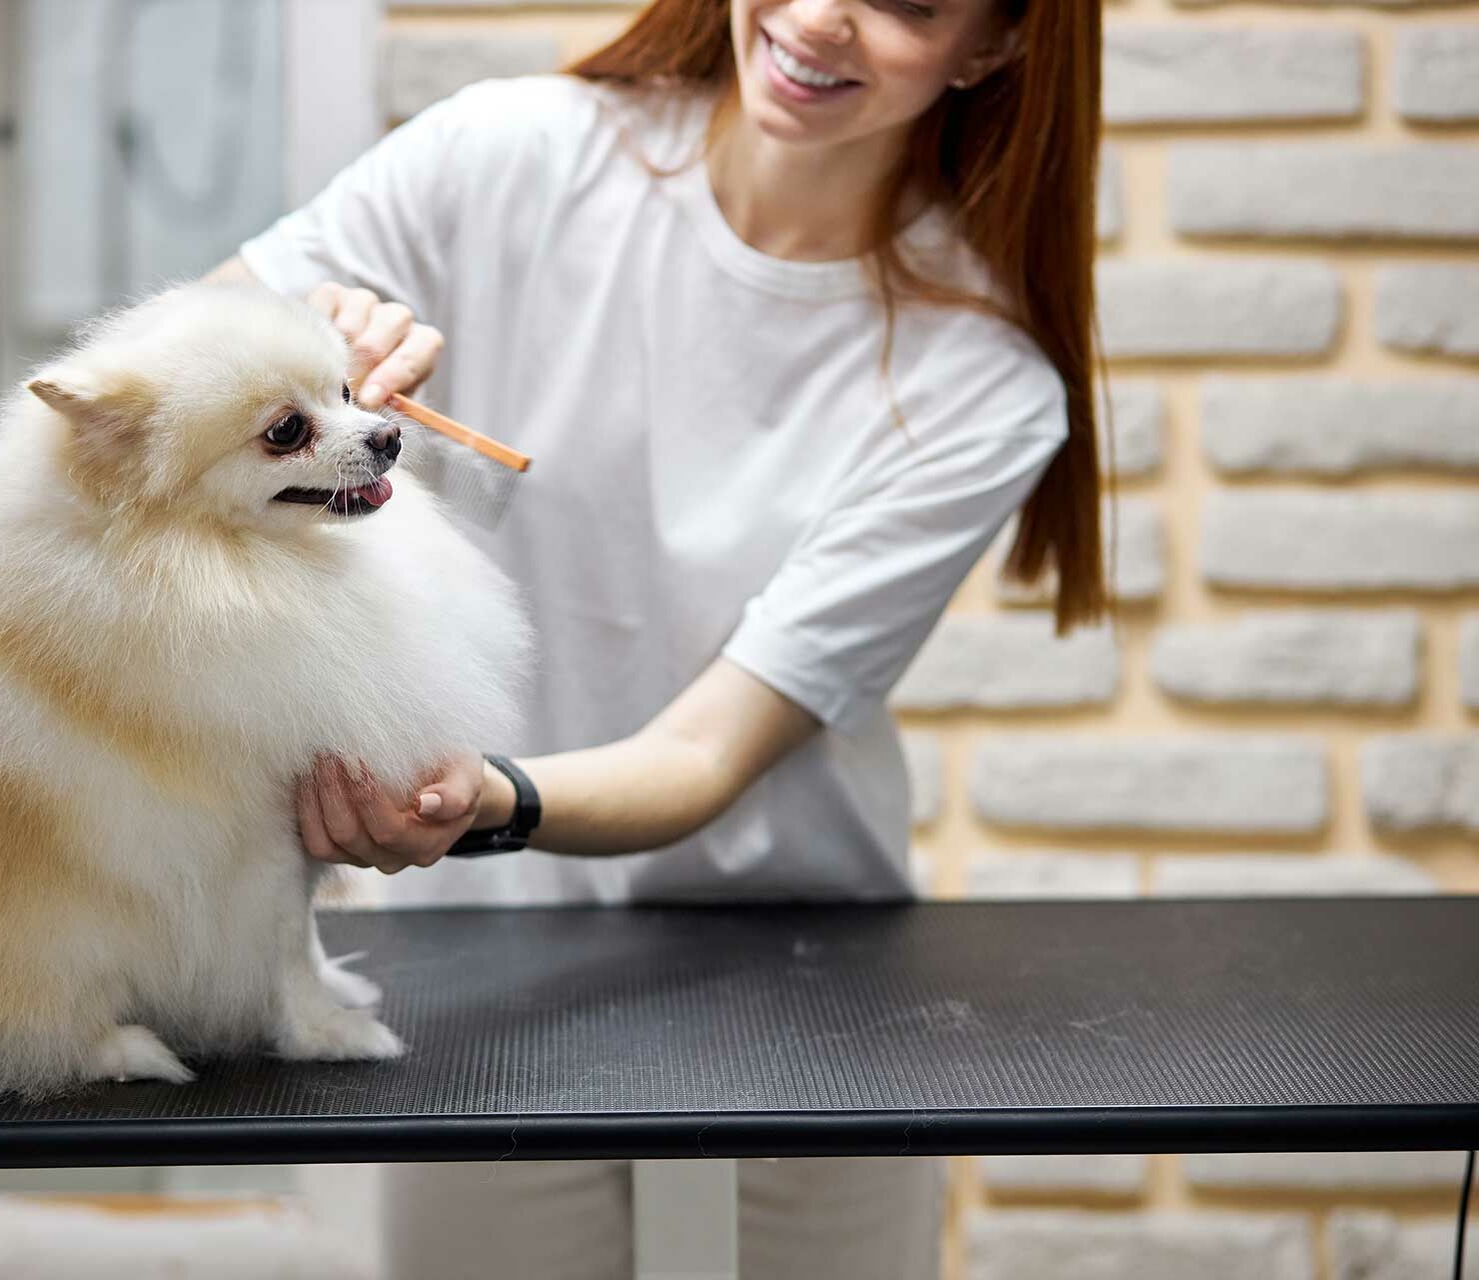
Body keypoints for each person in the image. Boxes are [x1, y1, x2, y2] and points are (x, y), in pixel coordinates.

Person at [209, 0, 1105, 1273]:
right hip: (474, 974)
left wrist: (485, 798)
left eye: (907, 3)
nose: (819, 20)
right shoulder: (502, 153)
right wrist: (298, 359)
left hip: (805, 991)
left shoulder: (980, 381)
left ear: (997, 46)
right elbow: (149, 382)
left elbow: (702, 751)